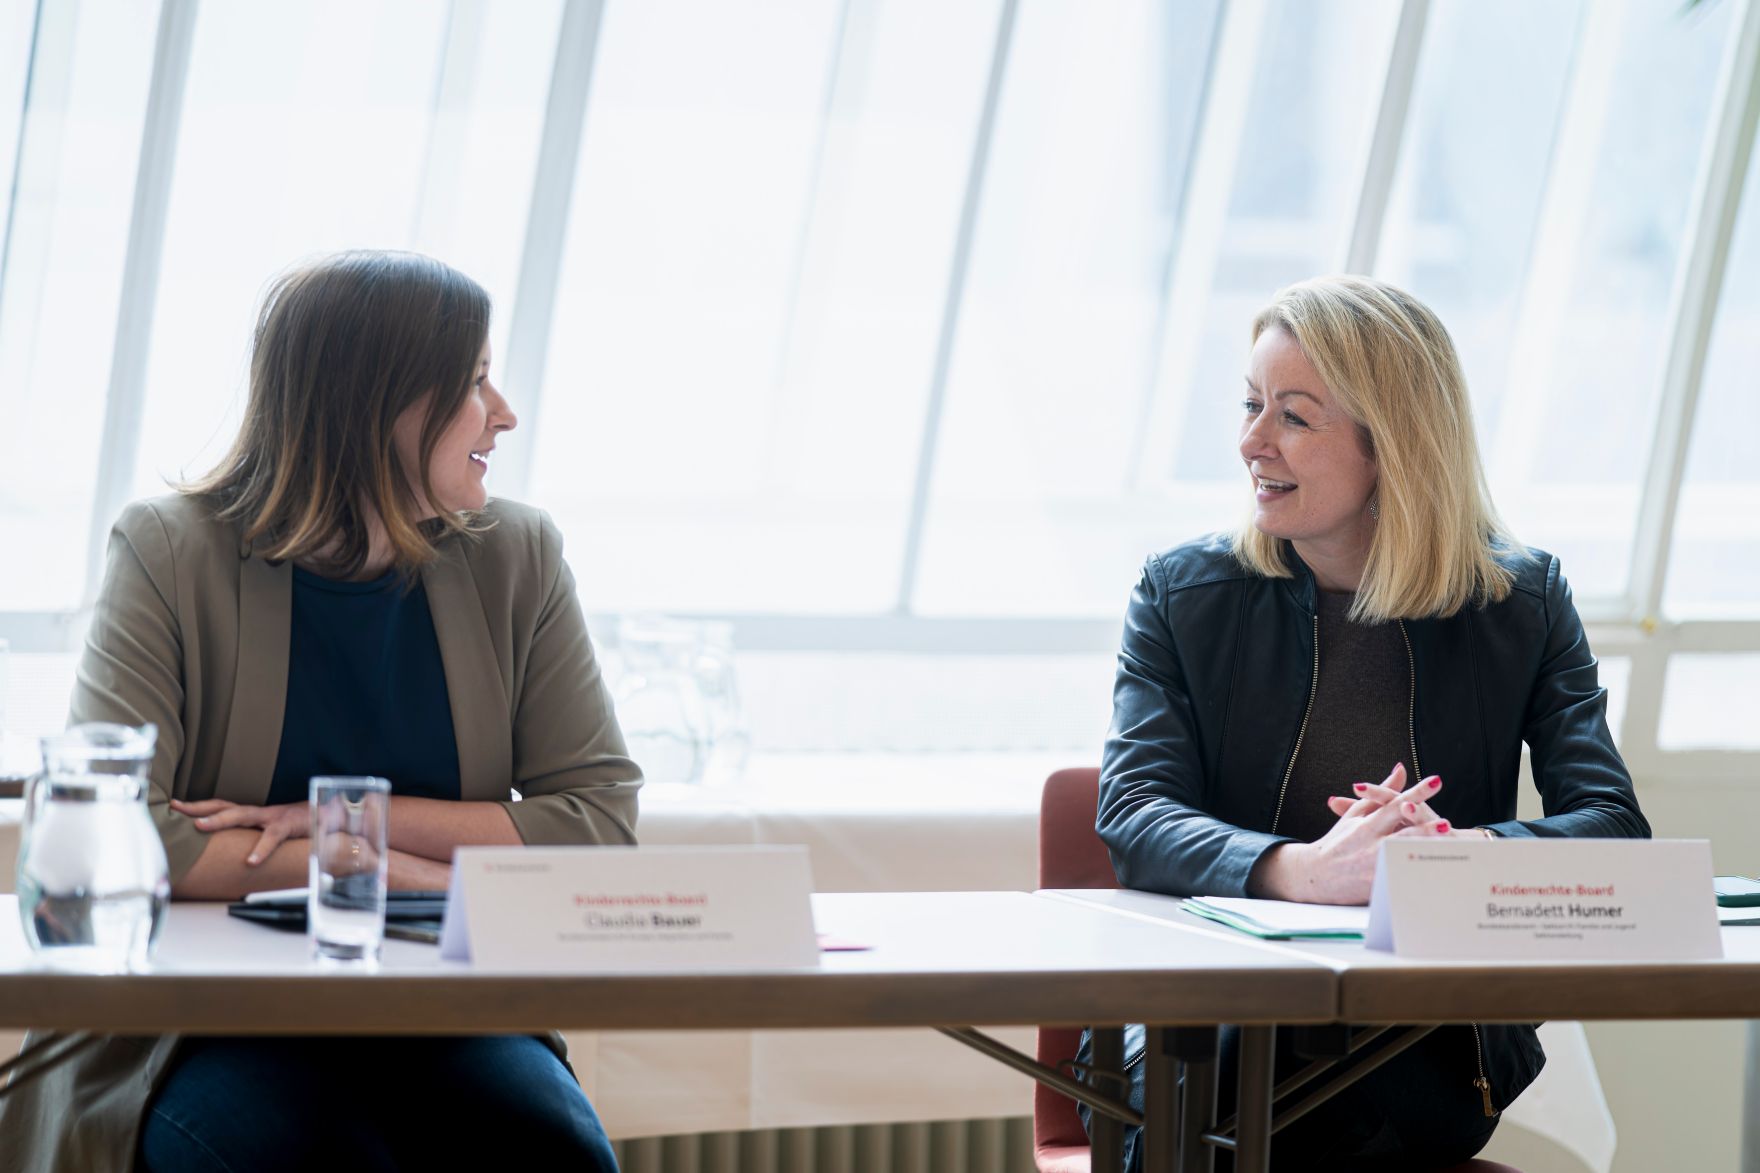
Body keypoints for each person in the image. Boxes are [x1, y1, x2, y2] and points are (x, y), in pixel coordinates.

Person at [0, 251, 640, 1173]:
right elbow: (124, 835)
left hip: (444, 1006)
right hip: (207, 1021)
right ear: (381, 404)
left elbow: (595, 830)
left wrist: (353, 835)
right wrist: (394, 862)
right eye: (473, 382)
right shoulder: (169, 550)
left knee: (552, 1155)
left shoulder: (520, 555)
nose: (502, 412)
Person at [1084, 275, 1648, 1171]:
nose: (1250, 441)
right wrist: (1301, 871)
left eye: (1293, 417)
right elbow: (1135, 812)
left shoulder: (1522, 600)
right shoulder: (1182, 593)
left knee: (1333, 1105)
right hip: (1204, 1032)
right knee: (1252, 1107)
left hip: (1415, 1043)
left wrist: (1456, 860)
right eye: (1251, 404)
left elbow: (1614, 826)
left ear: (1393, 443)